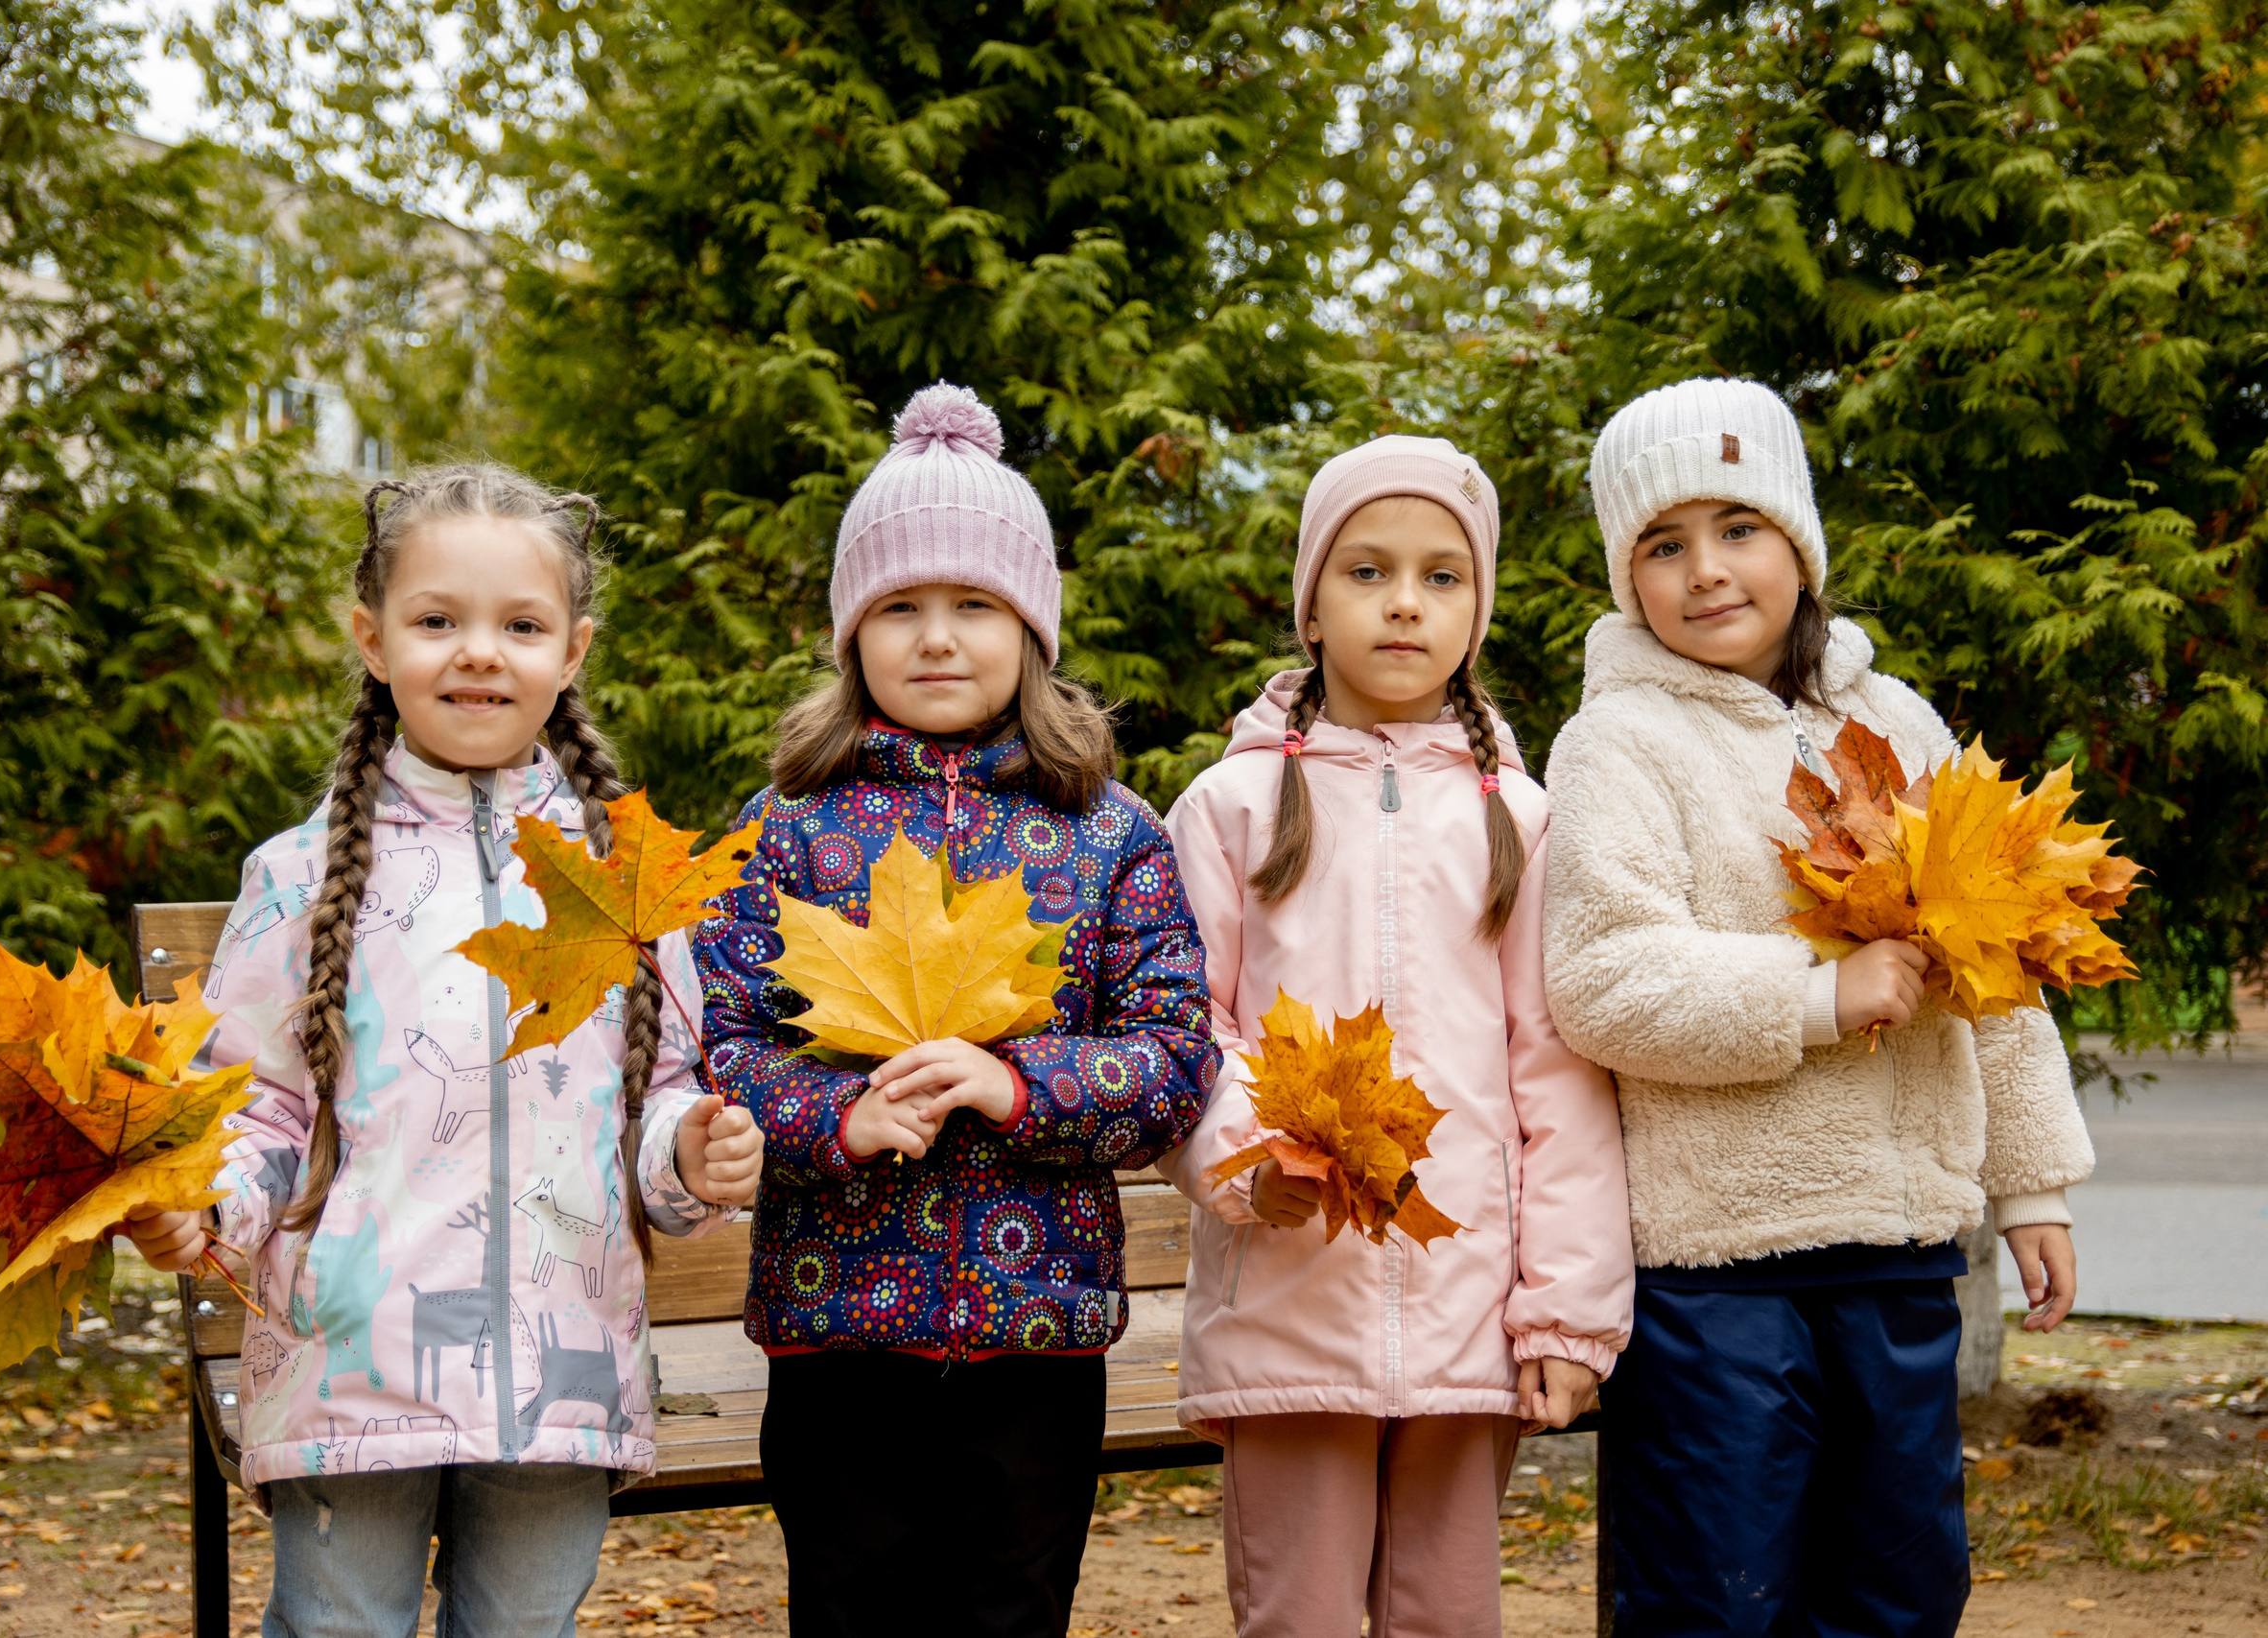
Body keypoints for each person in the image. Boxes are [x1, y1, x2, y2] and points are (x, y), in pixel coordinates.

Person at [119, 465, 766, 1638]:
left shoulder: (628, 874)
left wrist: (694, 1157)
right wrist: (201, 1209)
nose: (479, 653)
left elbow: (661, 1094)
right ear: (372, 640)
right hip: (345, 1357)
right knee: (339, 1627)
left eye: (518, 625)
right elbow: (253, 1110)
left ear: (573, 650)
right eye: (436, 621)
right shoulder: (298, 878)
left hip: (558, 1358)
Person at [1541, 378, 2095, 1637]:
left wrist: (2035, 1182)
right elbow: (1603, 975)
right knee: (1716, 1593)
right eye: (1664, 546)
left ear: (1798, 538)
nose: (1707, 571)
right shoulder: (1622, 741)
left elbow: (1990, 954)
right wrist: (1813, 996)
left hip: (1901, 1253)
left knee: (1899, 1588)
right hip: (1720, 1266)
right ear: (1630, 579)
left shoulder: (1897, 721)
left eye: (1738, 528)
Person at [695, 383, 1220, 1638]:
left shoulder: (1107, 833)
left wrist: (1019, 1082)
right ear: (851, 632)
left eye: (974, 604)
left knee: (1010, 1608)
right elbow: (718, 1037)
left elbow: (1174, 1054)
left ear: (1029, 626)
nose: (937, 636)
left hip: (1035, 1334)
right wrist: (839, 1114)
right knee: (849, 1603)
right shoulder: (786, 830)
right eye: (900, 607)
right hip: (838, 1327)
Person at [1158, 437, 1634, 1638]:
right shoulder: (1230, 806)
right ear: (1310, 602)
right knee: (1297, 1616)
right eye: (1366, 571)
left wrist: (1566, 1313)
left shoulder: (1522, 821)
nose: (1404, 602)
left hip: (1467, 1309)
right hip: (1285, 1296)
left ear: (1477, 611)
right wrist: (1235, 1163)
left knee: (1449, 1617)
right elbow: (1184, 1030)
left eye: (1441, 576)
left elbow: (1560, 1080)